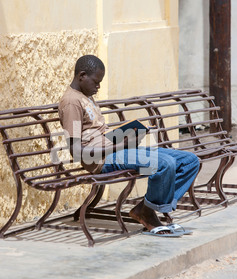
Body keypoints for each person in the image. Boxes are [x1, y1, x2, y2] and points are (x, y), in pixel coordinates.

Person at [59, 55, 200, 237]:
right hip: (102, 159)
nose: (98, 87)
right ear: (82, 75)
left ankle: (145, 207)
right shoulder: (72, 103)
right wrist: (119, 146)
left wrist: (129, 136)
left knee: (190, 161)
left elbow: (100, 133)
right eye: (96, 82)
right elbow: (77, 151)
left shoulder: (86, 96)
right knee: (164, 164)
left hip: (117, 149)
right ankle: (148, 214)